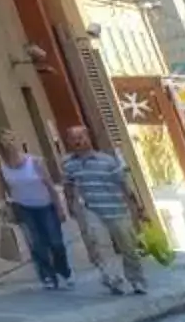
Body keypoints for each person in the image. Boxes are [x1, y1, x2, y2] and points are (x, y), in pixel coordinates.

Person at [58, 124, 149, 295]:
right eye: (73, 138)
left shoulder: (107, 160)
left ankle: (136, 280)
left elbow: (123, 184)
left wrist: (137, 207)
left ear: (88, 138)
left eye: (81, 137)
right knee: (101, 248)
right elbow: (68, 186)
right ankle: (113, 279)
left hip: (117, 209)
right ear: (69, 142)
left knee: (128, 248)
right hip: (93, 211)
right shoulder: (69, 164)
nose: (78, 141)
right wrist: (70, 206)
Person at [0, 132, 71, 289]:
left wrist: (59, 208)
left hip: (46, 205)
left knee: (55, 242)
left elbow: (50, 185)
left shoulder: (34, 161)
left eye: (10, 139)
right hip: (23, 208)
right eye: (3, 142)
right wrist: (3, 205)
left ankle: (64, 272)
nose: (8, 144)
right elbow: (1, 186)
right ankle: (47, 276)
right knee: (37, 244)